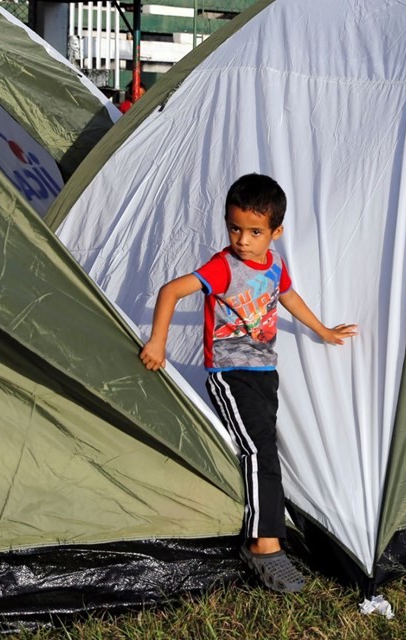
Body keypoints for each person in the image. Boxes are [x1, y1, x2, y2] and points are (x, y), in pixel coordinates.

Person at [139, 173, 357, 593]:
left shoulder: (274, 263)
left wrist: (323, 330)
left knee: (264, 450)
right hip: (228, 372)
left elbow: (288, 296)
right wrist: (158, 341)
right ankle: (263, 546)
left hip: (264, 372)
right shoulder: (223, 267)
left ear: (276, 232)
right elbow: (170, 291)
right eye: (235, 228)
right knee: (259, 449)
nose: (243, 239)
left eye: (255, 232)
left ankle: (266, 533)